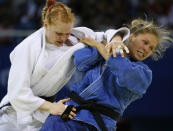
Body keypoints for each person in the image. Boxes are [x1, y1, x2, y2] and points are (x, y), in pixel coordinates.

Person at [0, 0, 130, 131]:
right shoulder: (28, 47)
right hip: (14, 115)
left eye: (67, 33)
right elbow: (17, 93)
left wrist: (116, 40)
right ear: (46, 25)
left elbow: (106, 34)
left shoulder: (76, 36)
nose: (63, 38)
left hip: (43, 113)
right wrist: (52, 107)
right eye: (59, 34)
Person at [40, 18, 173, 131]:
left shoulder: (144, 73)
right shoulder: (106, 50)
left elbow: (123, 71)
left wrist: (101, 46)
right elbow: (80, 61)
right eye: (145, 42)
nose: (146, 49)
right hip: (67, 115)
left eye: (151, 48)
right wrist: (105, 47)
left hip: (98, 124)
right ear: (132, 36)